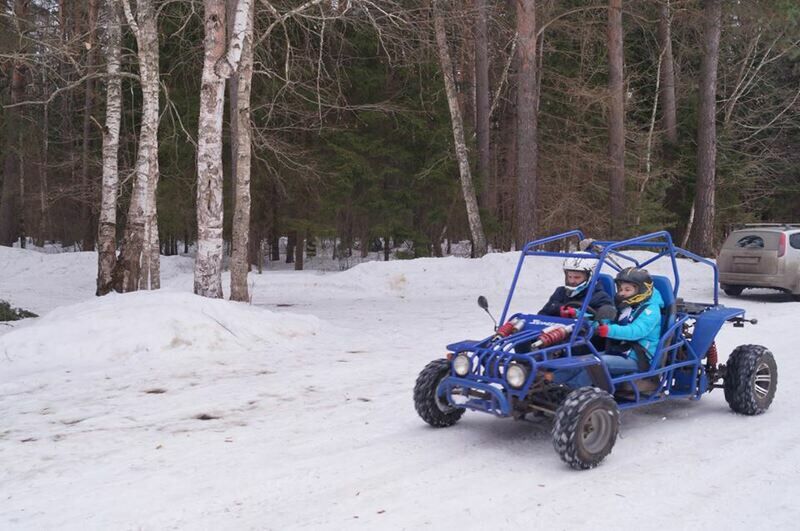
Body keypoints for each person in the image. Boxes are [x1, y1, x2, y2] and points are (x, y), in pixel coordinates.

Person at [553, 267, 664, 387]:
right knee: (581, 360)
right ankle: (551, 381)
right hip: (620, 351)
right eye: (620, 289)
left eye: (627, 290)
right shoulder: (626, 305)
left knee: (597, 363)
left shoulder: (651, 310)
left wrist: (609, 330)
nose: (622, 293)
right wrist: (578, 314)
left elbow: (636, 331)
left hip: (638, 358)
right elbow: (604, 320)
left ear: (642, 290)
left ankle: (570, 389)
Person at [539, 256, 615, 318]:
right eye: (569, 277)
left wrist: (577, 313)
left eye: (577, 277)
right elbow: (541, 315)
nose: (572, 281)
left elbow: (603, 322)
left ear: (589, 277)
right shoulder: (560, 292)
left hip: (582, 331)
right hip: (555, 330)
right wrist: (559, 308)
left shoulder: (600, 297)